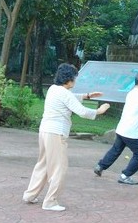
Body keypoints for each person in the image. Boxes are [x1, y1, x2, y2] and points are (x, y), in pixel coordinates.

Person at [22, 63, 110, 212]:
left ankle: (30, 195)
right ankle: (50, 201)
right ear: (69, 80)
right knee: (59, 168)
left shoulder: (53, 89)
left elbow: (70, 98)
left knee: (43, 164)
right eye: (74, 78)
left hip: (45, 131)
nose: (75, 81)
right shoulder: (65, 93)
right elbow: (81, 111)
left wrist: (87, 95)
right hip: (56, 133)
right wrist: (99, 111)